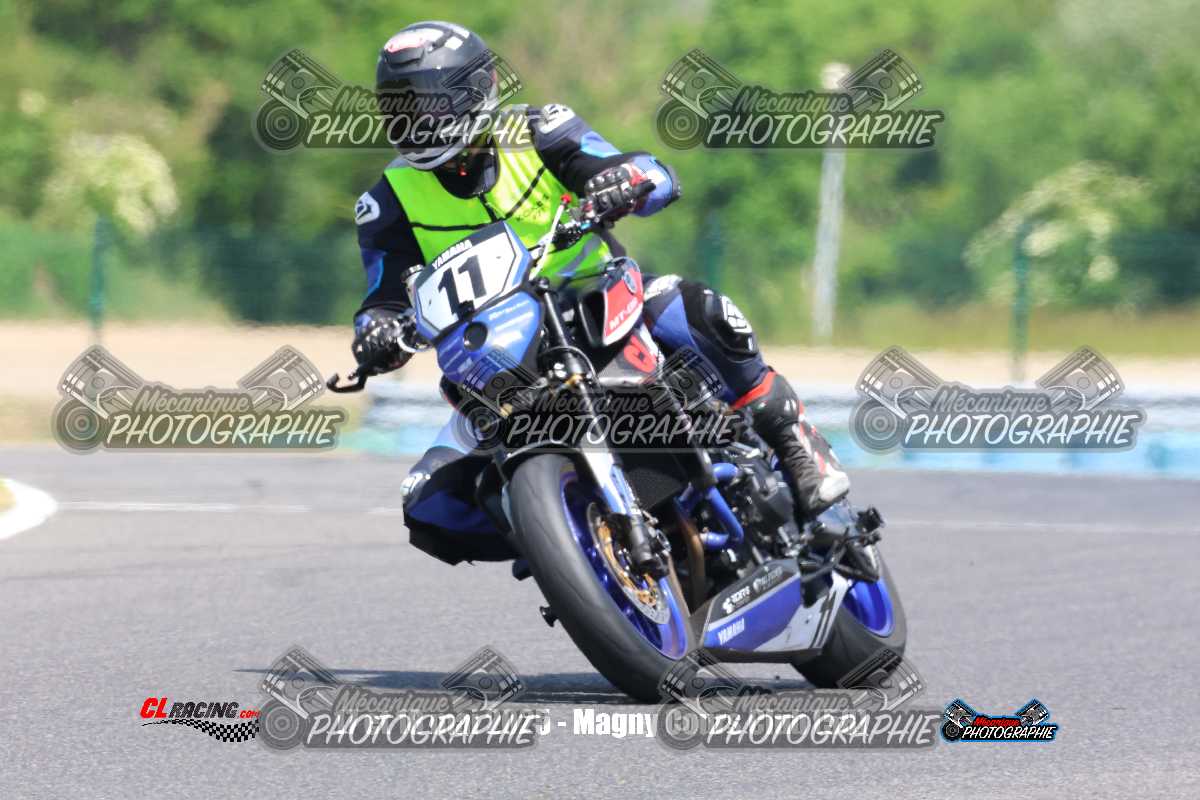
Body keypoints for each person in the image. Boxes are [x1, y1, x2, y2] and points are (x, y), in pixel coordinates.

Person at [350, 20, 849, 564]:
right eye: (399, 108)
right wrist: (376, 334)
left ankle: (794, 441)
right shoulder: (387, 201)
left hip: (594, 306)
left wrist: (627, 181)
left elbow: (642, 171)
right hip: (495, 360)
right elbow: (382, 300)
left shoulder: (539, 130)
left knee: (689, 309)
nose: (416, 122)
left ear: (476, 89)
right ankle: (567, 542)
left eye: (427, 105)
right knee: (428, 504)